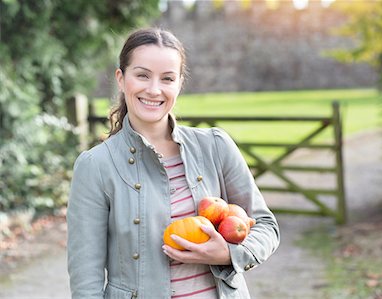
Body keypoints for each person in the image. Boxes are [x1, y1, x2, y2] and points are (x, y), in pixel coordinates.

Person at [67, 27, 280, 299]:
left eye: (167, 78)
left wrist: (229, 253)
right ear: (121, 79)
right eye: (142, 75)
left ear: (179, 83)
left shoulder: (215, 146)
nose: (154, 90)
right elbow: (86, 282)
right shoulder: (95, 166)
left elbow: (265, 225)